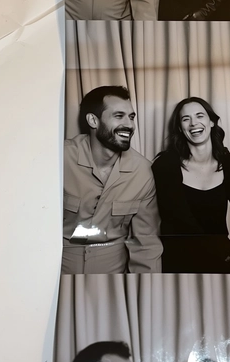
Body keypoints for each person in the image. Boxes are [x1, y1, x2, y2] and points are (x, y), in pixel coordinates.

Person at [151, 97, 230, 274]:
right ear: (179, 128)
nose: (193, 123)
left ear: (212, 122)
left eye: (200, 116)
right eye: (186, 119)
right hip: (182, 260)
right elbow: (181, 221)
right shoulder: (165, 166)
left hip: (222, 257)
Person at [62, 85, 162, 274]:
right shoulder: (59, 159)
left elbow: (146, 244)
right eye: (119, 116)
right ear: (93, 120)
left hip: (113, 276)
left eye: (131, 117)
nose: (130, 125)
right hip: (58, 271)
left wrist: (147, 289)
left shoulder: (142, 172)